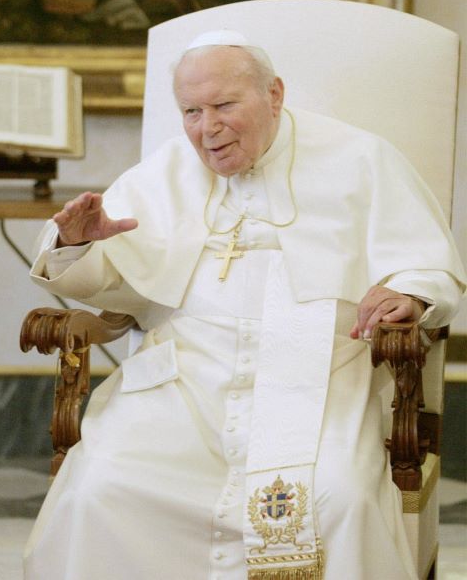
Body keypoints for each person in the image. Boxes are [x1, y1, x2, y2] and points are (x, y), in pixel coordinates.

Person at [23, 30, 465, 579]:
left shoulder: (361, 159)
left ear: (274, 94)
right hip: (183, 381)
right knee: (98, 489)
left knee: (341, 498)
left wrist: (409, 294)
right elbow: (107, 278)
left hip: (322, 380)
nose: (207, 129)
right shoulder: (166, 172)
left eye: (224, 105)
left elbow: (429, 266)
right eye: (190, 111)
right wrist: (77, 245)